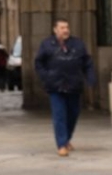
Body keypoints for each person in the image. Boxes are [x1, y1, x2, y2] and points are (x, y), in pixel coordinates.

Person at [34, 18, 94, 157]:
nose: (65, 30)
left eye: (67, 27)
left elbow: (87, 62)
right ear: (55, 29)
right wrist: (46, 76)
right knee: (59, 115)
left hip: (74, 84)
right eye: (62, 27)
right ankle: (61, 145)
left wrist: (90, 78)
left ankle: (66, 139)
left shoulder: (78, 44)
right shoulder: (47, 44)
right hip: (56, 85)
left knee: (73, 114)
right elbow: (39, 62)